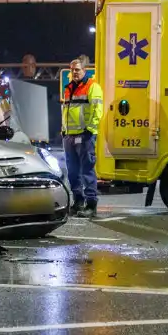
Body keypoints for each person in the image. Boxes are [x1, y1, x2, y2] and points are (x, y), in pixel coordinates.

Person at [61, 57, 104, 217]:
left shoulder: (92, 87)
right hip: (69, 136)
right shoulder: (68, 88)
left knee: (87, 170)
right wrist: (64, 131)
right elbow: (66, 112)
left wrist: (90, 130)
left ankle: (91, 204)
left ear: (85, 70)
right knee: (72, 172)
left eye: (77, 70)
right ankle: (78, 202)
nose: (74, 72)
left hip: (84, 136)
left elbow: (97, 110)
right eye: (72, 70)